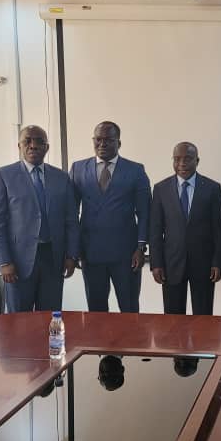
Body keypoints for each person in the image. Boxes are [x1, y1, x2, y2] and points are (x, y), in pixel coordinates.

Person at [0, 125, 79, 313]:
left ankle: (51, 345)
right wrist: (4, 261)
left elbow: (71, 219)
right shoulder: (3, 175)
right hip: (18, 262)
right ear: (19, 146)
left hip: (53, 259)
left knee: (51, 317)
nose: (33, 145)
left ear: (47, 147)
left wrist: (71, 255)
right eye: (27, 141)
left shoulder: (61, 177)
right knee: (19, 322)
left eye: (39, 141)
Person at [69, 121, 151, 312]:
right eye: (98, 139)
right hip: (90, 254)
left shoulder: (135, 170)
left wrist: (141, 247)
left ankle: (131, 343)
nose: (102, 144)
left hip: (127, 255)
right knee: (96, 312)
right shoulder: (78, 168)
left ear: (119, 143)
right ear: (93, 141)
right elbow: (71, 214)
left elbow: (145, 212)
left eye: (108, 140)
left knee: (129, 310)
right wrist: (74, 250)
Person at [149, 142, 221, 315]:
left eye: (188, 159)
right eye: (177, 159)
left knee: (204, 317)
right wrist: (156, 263)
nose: (182, 163)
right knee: (173, 319)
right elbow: (155, 230)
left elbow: (219, 229)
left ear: (197, 161)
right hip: (171, 265)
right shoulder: (161, 189)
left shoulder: (212, 188)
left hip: (204, 265)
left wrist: (218, 262)